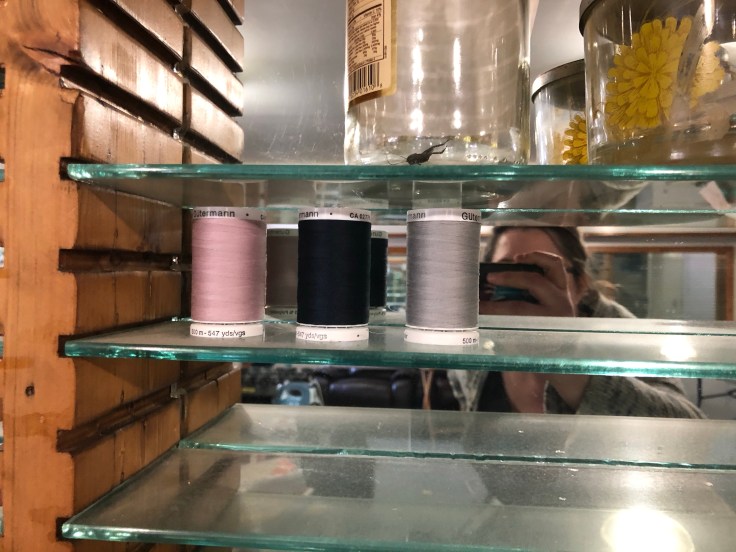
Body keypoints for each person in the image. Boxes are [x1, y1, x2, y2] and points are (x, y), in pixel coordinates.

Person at [448, 226, 705, 418]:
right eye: (505, 271)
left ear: (581, 284)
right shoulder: (478, 337)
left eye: (542, 272)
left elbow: (688, 430)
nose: (524, 286)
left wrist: (562, 356)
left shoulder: (620, 331)